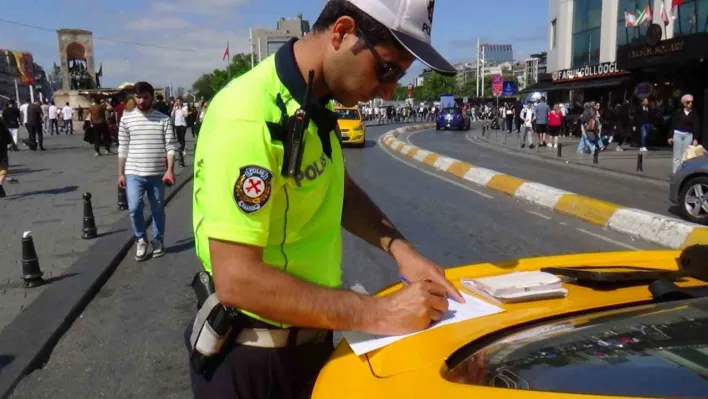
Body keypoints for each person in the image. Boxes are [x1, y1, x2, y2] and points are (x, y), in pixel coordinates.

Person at [186, 0, 463, 397]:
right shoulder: (248, 115)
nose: (388, 92)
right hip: (253, 362)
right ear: (342, 32)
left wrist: (403, 251)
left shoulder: (314, 101)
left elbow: (340, 191)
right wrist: (383, 313)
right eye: (386, 69)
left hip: (310, 348)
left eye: (399, 77)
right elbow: (239, 281)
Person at [117, 82, 176, 261]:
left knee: (157, 208)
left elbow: (171, 147)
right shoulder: (126, 119)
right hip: (133, 172)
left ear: (152, 96)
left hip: (157, 173)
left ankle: (158, 239)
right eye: (138, 97)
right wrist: (120, 173)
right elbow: (123, 147)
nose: (141, 101)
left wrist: (170, 170)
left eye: (145, 97)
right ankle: (141, 239)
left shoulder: (163, 119)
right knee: (134, 208)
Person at [669, 94, 701, 174]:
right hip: (677, 134)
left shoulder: (694, 113)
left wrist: (695, 138)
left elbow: (696, 126)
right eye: (688, 102)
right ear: (684, 103)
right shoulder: (678, 112)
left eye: (691, 102)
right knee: (677, 155)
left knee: (685, 155)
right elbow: (673, 124)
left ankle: (682, 173)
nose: (690, 103)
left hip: (688, 135)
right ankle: (675, 173)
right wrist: (670, 136)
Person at [0, 117, 12, 197]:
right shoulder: (1, 123)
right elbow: (8, 136)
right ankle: (0, 183)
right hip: (1, 148)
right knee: (3, 167)